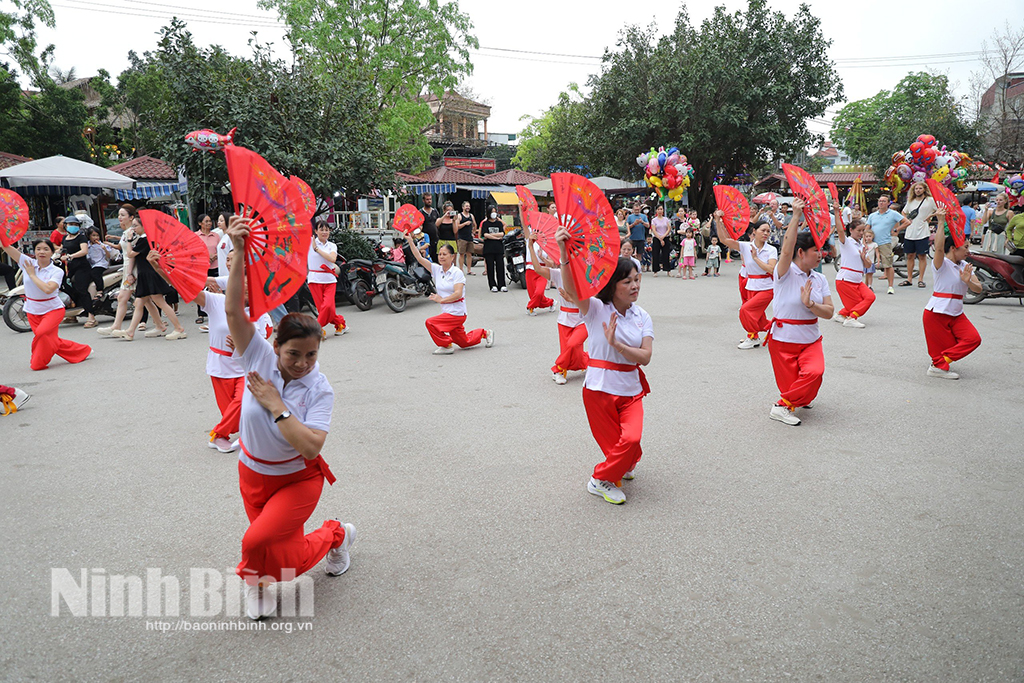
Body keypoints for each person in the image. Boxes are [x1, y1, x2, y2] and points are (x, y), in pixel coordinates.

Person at [220, 215, 354, 621]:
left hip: (298, 478)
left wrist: (276, 405)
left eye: (311, 354)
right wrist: (240, 251)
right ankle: (262, 585)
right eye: (293, 353)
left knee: (257, 541)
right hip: (252, 475)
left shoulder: (320, 388)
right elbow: (232, 310)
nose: (302, 363)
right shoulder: (258, 355)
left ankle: (335, 532)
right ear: (275, 346)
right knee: (277, 551)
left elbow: (312, 445)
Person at [556, 231, 653, 506]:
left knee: (632, 442)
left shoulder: (642, 316)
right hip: (599, 390)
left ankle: (607, 472)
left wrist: (619, 345)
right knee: (620, 450)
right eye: (628, 281)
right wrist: (564, 253)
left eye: (637, 279)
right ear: (613, 285)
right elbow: (573, 290)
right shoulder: (596, 309)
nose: (635, 286)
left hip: (631, 388)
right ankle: (601, 481)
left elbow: (645, 357)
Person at [765, 198, 834, 426]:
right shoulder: (784, 273)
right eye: (817, 251)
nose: (821, 254)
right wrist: (795, 216)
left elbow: (830, 312)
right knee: (792, 387)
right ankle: (792, 400)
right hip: (783, 340)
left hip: (811, 339)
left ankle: (782, 405)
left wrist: (811, 306)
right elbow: (786, 251)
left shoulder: (820, 278)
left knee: (814, 373)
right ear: (802, 252)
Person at [2, 239, 92, 370]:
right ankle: (82, 351)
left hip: (52, 309)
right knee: (48, 341)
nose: (41, 252)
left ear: (52, 252)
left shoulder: (56, 271)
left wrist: (32, 275)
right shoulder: (27, 262)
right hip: (32, 310)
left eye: (45, 249)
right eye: (38, 249)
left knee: (42, 334)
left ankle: (79, 351)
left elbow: (48, 289)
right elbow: (7, 247)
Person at [402, 232, 493, 354]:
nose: (441, 257)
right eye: (440, 254)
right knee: (464, 342)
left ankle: (446, 345)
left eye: (445, 254)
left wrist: (441, 300)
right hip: (447, 312)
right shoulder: (436, 269)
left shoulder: (457, 273)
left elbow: (458, 294)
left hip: (457, 313)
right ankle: (485, 333)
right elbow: (419, 258)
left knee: (430, 323)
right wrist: (410, 241)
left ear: (452, 257)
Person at [922, 207, 983, 380]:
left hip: (956, 312)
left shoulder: (965, 266)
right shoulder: (941, 264)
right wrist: (941, 222)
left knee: (973, 339)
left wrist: (968, 281)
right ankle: (938, 366)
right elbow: (939, 248)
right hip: (937, 312)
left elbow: (978, 288)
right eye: (965, 247)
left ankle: (938, 363)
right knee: (943, 347)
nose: (968, 251)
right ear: (953, 248)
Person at [528, 231, 588, 385]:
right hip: (564, 318)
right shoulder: (558, 274)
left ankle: (557, 368)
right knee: (571, 351)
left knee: (574, 344)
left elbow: (593, 299)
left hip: (583, 318)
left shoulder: (586, 275)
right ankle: (589, 361)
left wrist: (572, 298)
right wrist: (530, 246)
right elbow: (537, 269)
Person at [114, 216, 187, 340]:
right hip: (146, 274)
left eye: (135, 226)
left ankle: (178, 328)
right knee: (141, 302)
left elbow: (130, 254)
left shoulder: (144, 239)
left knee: (157, 302)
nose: (134, 229)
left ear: (143, 226)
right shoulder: (146, 239)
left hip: (149, 274)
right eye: (133, 226)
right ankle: (153, 327)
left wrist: (130, 240)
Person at [97, 205, 161, 337]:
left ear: (131, 217)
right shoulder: (126, 233)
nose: (119, 218)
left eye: (122, 215)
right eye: (119, 215)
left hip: (134, 268)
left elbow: (132, 254)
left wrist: (130, 273)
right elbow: (122, 247)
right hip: (129, 267)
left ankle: (121, 327)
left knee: (133, 298)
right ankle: (159, 324)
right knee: (145, 299)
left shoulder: (134, 233)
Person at [716, 214, 777, 349]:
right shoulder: (745, 246)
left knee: (745, 310)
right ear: (754, 231)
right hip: (751, 285)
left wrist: (755, 258)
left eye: (768, 231)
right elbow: (724, 239)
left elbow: (772, 269)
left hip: (767, 287)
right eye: (763, 230)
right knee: (758, 317)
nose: (766, 233)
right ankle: (760, 334)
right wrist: (718, 221)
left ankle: (760, 333)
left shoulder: (771, 249)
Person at [830, 202, 875, 328]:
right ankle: (851, 318)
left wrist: (863, 257)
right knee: (858, 303)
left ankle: (841, 314)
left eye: (863, 231)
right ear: (851, 230)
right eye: (859, 231)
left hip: (857, 280)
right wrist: (837, 212)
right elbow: (839, 229)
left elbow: (867, 265)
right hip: (845, 280)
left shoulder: (861, 245)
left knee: (870, 297)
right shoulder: (847, 242)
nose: (861, 233)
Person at [56, 215, 99, 328]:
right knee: (65, 286)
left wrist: (70, 256)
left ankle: (92, 317)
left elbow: (84, 251)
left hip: (82, 267)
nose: (73, 227)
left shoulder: (81, 237)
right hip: (70, 268)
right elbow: (61, 249)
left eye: (75, 225)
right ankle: (73, 315)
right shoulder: (65, 238)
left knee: (81, 289)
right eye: (70, 224)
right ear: (66, 226)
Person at [306, 220, 347, 337]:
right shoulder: (309, 242)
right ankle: (340, 323)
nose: (324, 232)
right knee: (322, 309)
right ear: (316, 231)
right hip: (314, 280)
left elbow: (332, 259)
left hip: (329, 280)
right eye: (321, 229)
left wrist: (317, 249)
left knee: (328, 306)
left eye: (326, 230)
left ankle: (317, 329)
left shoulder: (331, 246)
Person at [899, 182, 937, 288]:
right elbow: (904, 212)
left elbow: (939, 210)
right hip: (910, 232)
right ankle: (909, 278)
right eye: (916, 189)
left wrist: (930, 216)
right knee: (910, 255)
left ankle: (921, 279)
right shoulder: (911, 201)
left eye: (920, 188)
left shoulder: (930, 200)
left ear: (924, 189)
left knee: (922, 256)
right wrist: (907, 221)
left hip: (923, 232)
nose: (918, 190)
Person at [866, 195, 902, 295]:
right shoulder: (872, 215)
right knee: (868, 265)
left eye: (883, 201)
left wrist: (896, 230)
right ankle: (868, 286)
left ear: (888, 203)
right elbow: (867, 227)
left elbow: (906, 222)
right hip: (872, 242)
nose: (881, 203)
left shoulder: (893, 214)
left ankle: (890, 286)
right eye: (880, 201)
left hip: (885, 242)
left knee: (888, 265)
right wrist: (864, 240)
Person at [523, 204, 555, 315]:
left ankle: (529, 307)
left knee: (538, 293)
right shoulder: (530, 238)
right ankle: (551, 302)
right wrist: (520, 210)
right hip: (530, 269)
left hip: (542, 271)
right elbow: (524, 225)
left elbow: (551, 264)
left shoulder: (549, 243)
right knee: (536, 296)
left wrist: (542, 257)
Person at [194, 214, 221, 326]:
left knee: (214, 288)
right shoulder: (195, 236)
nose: (209, 223)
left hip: (215, 265)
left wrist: (215, 255)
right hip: (201, 267)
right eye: (206, 221)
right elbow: (193, 251)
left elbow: (220, 248)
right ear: (200, 223)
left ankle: (215, 312)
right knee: (200, 289)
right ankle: (201, 314)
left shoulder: (216, 235)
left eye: (210, 221)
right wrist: (205, 258)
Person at [479, 206, 507, 292]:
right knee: (490, 268)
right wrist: (496, 237)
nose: (494, 213)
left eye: (495, 211)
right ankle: (492, 285)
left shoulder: (498, 223)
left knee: (500, 267)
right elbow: (485, 235)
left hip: (498, 248)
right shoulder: (485, 223)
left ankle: (502, 284)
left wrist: (491, 235)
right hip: (489, 249)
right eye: (492, 212)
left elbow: (502, 233)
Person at [85, 227, 116, 297]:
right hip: (91, 264)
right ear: (89, 236)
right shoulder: (86, 245)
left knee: (95, 273)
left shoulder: (102, 245)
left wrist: (105, 249)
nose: (96, 237)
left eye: (97, 235)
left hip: (101, 264)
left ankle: (100, 290)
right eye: (93, 235)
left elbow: (108, 256)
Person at [455, 201, 476, 276]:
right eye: (466, 206)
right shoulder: (459, 215)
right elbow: (457, 226)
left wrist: (473, 232)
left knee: (469, 254)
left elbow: (475, 224)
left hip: (469, 237)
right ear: (463, 207)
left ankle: (469, 270)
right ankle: (461, 270)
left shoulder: (471, 215)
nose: (468, 207)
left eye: (469, 206)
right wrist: (465, 223)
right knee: (461, 254)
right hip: (462, 238)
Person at [650, 206, 671, 276]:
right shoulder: (654, 220)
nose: (660, 211)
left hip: (665, 237)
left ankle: (668, 270)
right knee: (655, 254)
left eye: (661, 209)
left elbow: (668, 229)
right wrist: (660, 238)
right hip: (657, 238)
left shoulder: (666, 219)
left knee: (666, 254)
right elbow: (653, 229)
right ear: (656, 210)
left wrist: (663, 236)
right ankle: (655, 271)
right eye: (658, 209)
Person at [419, 194, 440, 263]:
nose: (429, 201)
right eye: (427, 199)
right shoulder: (420, 212)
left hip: (435, 239)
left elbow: (438, 224)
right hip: (425, 241)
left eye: (430, 199)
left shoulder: (435, 211)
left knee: (436, 260)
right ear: (423, 200)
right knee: (427, 260)